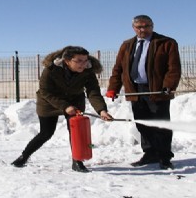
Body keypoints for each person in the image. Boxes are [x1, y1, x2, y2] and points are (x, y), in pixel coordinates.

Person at [11, 46, 113, 172]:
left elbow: (93, 92)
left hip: (75, 101)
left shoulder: (88, 70)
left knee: (76, 132)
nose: (83, 64)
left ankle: (77, 161)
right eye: (79, 61)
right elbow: (45, 92)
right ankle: (24, 156)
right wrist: (65, 106)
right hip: (49, 102)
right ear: (67, 61)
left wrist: (102, 110)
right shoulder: (51, 69)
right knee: (46, 133)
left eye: (85, 60)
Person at [106, 15, 181, 170]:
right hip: (135, 91)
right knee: (142, 124)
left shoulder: (166, 43)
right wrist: (113, 88)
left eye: (146, 26)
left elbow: (173, 68)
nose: (143, 29)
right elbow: (118, 69)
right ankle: (150, 153)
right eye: (139, 27)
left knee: (161, 124)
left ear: (152, 26)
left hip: (157, 90)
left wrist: (169, 85)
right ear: (134, 28)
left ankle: (164, 156)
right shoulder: (126, 45)